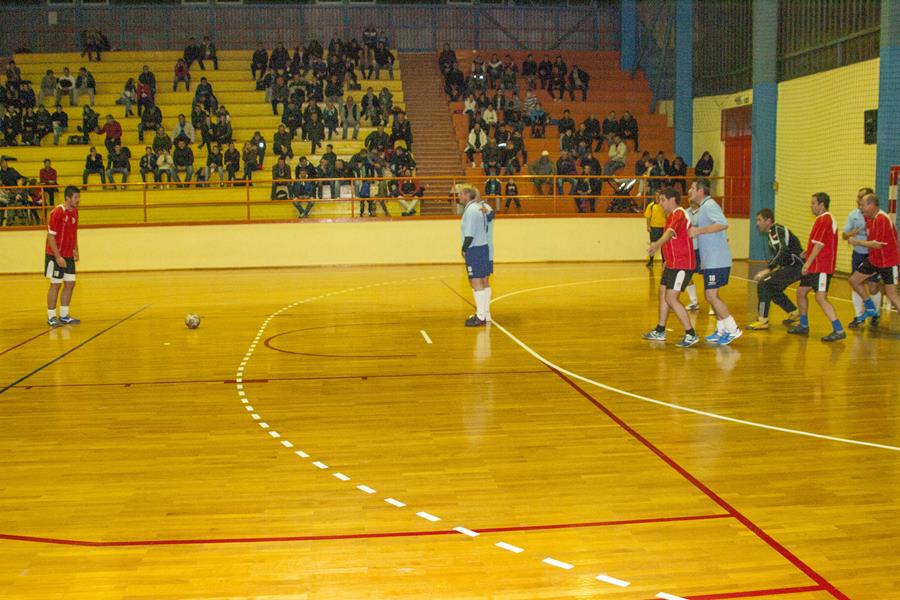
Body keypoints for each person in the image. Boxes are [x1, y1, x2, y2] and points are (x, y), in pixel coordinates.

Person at [642, 187, 699, 347]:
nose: (660, 204)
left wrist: (656, 245)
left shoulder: (679, 213)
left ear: (672, 199)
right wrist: (666, 259)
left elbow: (669, 234)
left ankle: (691, 334)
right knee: (662, 293)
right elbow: (672, 240)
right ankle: (660, 330)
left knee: (671, 298)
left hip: (682, 263)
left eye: (662, 200)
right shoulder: (670, 216)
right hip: (672, 263)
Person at [688, 178, 741, 345]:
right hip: (710, 260)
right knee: (710, 295)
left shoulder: (709, 205)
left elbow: (723, 224)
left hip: (717, 260)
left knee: (711, 295)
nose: (690, 190)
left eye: (693, 188)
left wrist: (698, 230)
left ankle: (733, 329)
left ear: (700, 191)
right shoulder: (704, 207)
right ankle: (721, 329)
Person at [787, 192, 845, 342]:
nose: (811, 206)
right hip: (815, 266)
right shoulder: (821, 219)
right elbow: (818, 243)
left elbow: (819, 244)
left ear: (821, 204)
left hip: (822, 267)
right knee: (801, 292)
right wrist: (808, 252)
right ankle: (804, 325)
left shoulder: (826, 219)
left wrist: (807, 263)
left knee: (820, 297)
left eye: (813, 203)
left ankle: (839, 329)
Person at [746, 208, 804, 330]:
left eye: (759, 220)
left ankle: (763, 320)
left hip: (795, 266)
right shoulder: (773, 232)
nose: (757, 223)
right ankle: (795, 312)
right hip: (792, 266)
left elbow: (783, 250)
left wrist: (769, 269)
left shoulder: (776, 230)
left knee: (763, 284)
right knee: (772, 288)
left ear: (768, 221)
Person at [847, 193, 900, 323]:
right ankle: (870, 307)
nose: (860, 208)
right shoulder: (869, 218)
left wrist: (856, 242)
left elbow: (877, 244)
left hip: (888, 262)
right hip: (874, 260)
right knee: (854, 280)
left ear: (871, 205)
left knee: (892, 295)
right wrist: (852, 233)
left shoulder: (882, 219)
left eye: (863, 205)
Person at [843, 187, 883, 327]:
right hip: (858, 254)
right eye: (858, 197)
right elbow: (844, 235)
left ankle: (875, 314)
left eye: (861, 197)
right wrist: (851, 233)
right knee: (855, 283)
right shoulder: (853, 215)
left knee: (873, 287)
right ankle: (859, 315)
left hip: (872, 254)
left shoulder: (877, 216)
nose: (858, 200)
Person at [45, 185, 82, 327]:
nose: (78, 200)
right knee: (55, 284)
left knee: (70, 284)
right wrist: (58, 257)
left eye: (78, 197)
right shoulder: (58, 212)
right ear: (68, 198)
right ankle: (51, 316)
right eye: (76, 197)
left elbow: (74, 232)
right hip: (56, 255)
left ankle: (64, 315)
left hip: (68, 255)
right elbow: (51, 236)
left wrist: (75, 249)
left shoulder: (75, 212)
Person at [460, 185, 495, 327]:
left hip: (475, 248)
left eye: (461, 193)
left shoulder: (473, 209)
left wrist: (464, 249)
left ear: (467, 194)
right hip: (484, 247)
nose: (459, 196)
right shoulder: (480, 208)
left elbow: (469, 234)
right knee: (483, 280)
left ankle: (481, 315)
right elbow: (491, 215)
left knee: (476, 281)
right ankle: (485, 313)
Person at [644, 192, 666, 267]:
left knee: (664, 246)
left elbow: (668, 215)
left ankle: (664, 261)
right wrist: (648, 226)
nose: (657, 197)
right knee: (653, 245)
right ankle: (651, 261)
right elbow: (648, 217)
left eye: (659, 196)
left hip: (664, 228)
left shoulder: (664, 205)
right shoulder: (651, 206)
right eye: (656, 195)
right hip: (654, 228)